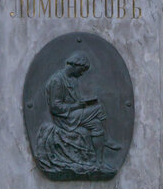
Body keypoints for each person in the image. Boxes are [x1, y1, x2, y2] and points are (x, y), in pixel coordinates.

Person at [36, 51, 119, 179]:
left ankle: (99, 163)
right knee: (98, 108)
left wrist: (83, 102)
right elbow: (55, 107)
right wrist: (77, 105)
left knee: (97, 125)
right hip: (64, 119)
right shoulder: (56, 81)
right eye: (81, 70)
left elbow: (73, 100)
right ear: (75, 65)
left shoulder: (72, 80)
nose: (82, 74)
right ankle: (107, 138)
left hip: (73, 115)